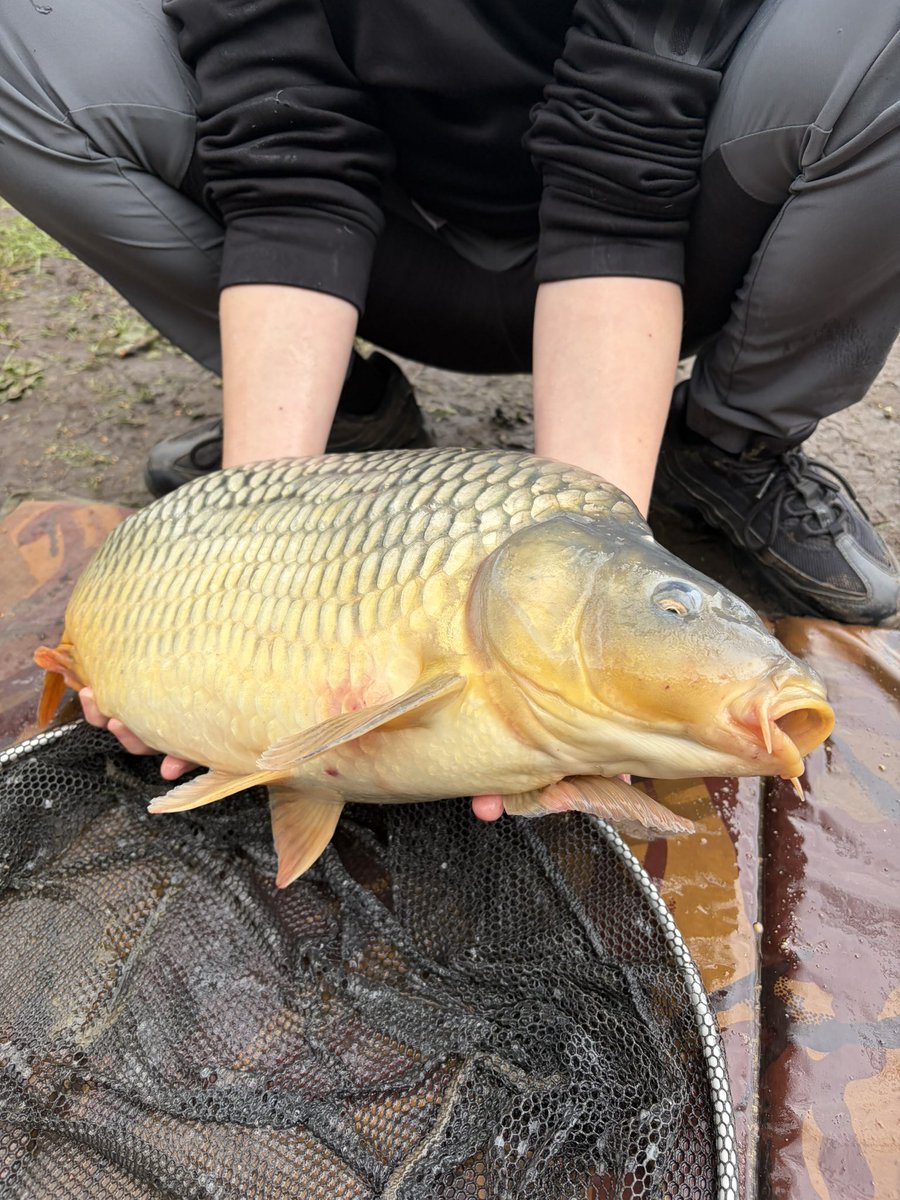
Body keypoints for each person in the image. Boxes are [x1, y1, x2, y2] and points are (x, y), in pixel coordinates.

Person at [2, 0, 899, 809]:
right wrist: (255, 551)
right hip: (379, 240)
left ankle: (725, 443)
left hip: (673, 217)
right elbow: (285, 147)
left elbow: (623, 150)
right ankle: (351, 421)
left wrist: (593, 554)